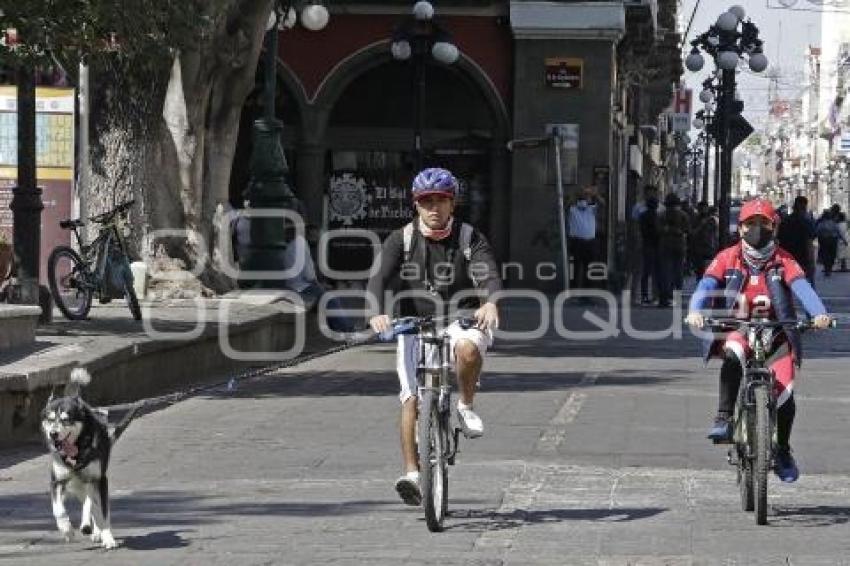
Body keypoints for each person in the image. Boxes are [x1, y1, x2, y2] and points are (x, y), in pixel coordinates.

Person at [366, 167, 502, 506]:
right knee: (411, 398)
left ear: (452, 204)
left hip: (461, 316)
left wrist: (490, 303)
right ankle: (412, 473)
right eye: (426, 201)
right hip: (414, 321)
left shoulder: (469, 237)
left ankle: (466, 405)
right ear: (416, 204)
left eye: (441, 200)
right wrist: (377, 312)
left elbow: (488, 273)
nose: (434, 208)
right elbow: (378, 278)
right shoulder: (402, 238)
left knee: (469, 350)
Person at [685, 199, 833, 482]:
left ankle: (782, 450)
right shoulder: (728, 257)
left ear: (774, 227)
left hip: (778, 332)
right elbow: (706, 284)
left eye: (763, 224)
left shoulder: (784, 260)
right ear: (740, 228)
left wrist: (819, 314)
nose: (756, 229)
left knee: (786, 396)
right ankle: (724, 417)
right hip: (738, 327)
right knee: (732, 355)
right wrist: (695, 311)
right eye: (750, 224)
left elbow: (803, 288)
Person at [567, 186, 605, 293]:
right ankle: (573, 291)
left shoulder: (591, 208)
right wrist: (579, 194)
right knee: (575, 268)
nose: (585, 200)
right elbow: (568, 203)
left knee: (589, 268)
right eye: (583, 198)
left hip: (590, 242)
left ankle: (586, 293)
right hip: (577, 241)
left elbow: (603, 203)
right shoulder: (573, 209)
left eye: (587, 198)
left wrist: (595, 195)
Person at [657, 193, 689, 307]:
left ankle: (665, 298)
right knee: (678, 272)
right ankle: (677, 297)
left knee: (665, 272)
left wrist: (667, 230)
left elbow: (658, 230)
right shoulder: (683, 215)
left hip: (665, 244)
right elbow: (687, 229)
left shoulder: (662, 215)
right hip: (679, 245)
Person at [777, 196, 817, 287]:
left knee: (785, 286)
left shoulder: (785, 222)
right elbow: (809, 243)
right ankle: (810, 300)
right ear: (804, 207)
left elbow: (778, 242)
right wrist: (811, 263)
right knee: (806, 287)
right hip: (802, 259)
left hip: (787, 259)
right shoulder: (806, 222)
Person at [638, 189, 661, 305]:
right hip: (655, 245)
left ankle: (644, 295)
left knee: (645, 273)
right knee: (655, 272)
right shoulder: (656, 217)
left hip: (646, 244)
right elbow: (657, 231)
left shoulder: (642, 216)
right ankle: (655, 295)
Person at [689, 201, 718, 279]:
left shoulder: (711, 220)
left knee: (708, 270)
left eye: (704, 208)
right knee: (699, 270)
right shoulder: (695, 219)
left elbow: (714, 233)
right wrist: (701, 225)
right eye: (701, 208)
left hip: (708, 247)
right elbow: (692, 233)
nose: (703, 210)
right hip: (698, 248)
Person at [815, 209, 847, 277]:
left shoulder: (825, 223)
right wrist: (844, 240)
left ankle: (828, 268)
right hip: (832, 241)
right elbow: (839, 233)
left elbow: (817, 232)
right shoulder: (831, 223)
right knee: (831, 255)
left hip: (826, 241)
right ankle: (828, 269)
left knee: (827, 255)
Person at [833, 205, 849, 272]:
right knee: (842, 254)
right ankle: (843, 267)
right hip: (843, 240)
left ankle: (842, 267)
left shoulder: (838, 224)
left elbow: (840, 233)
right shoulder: (844, 224)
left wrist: (844, 240)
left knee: (840, 254)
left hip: (841, 240)